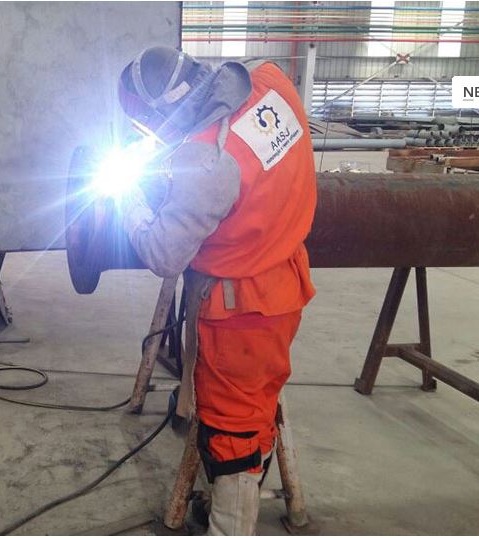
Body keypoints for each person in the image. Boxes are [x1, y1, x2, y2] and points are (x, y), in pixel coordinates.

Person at [116, 46, 316, 535]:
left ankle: (230, 527)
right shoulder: (272, 82)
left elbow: (165, 254)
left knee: (232, 429)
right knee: (256, 407)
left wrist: (129, 201)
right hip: (285, 281)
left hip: (239, 309)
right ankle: (233, 499)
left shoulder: (208, 161)